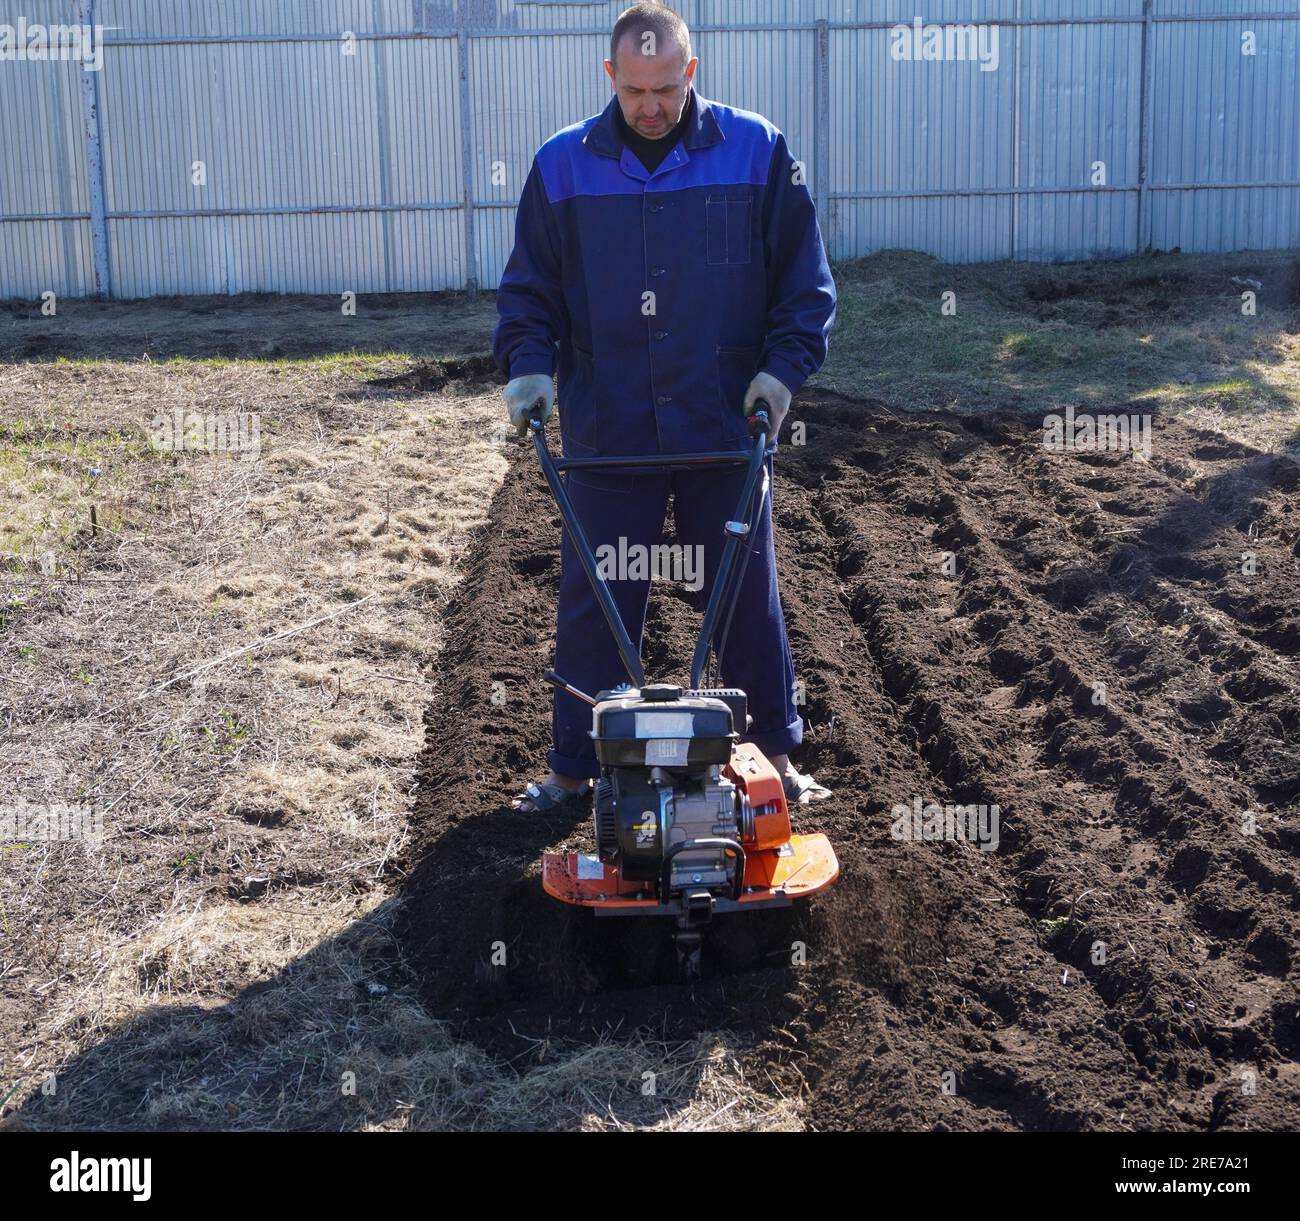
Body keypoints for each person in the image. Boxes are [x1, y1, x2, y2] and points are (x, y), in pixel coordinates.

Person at [493, 1, 837, 813]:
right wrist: (529, 372)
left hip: (726, 424)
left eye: (666, 87)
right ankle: (574, 771)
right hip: (611, 424)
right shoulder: (561, 166)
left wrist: (780, 380)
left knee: (747, 593)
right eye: (635, 89)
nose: (650, 105)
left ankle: (771, 762)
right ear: (610, 77)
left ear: (692, 71)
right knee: (598, 597)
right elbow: (528, 295)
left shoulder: (757, 150)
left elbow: (805, 288)